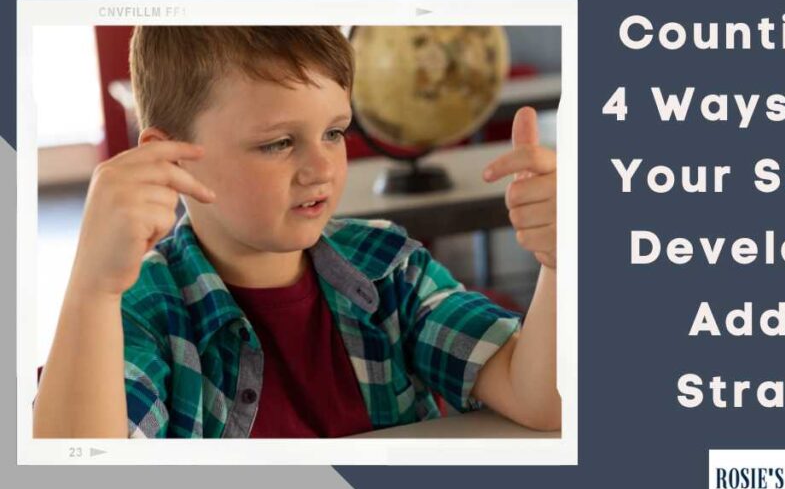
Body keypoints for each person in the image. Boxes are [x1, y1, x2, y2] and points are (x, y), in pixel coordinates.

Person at [33, 26, 559, 438]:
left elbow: (542, 401)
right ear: (166, 156)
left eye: (333, 133)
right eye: (279, 143)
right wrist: (92, 290)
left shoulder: (390, 267)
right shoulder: (141, 308)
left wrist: (562, 263)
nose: (322, 168)